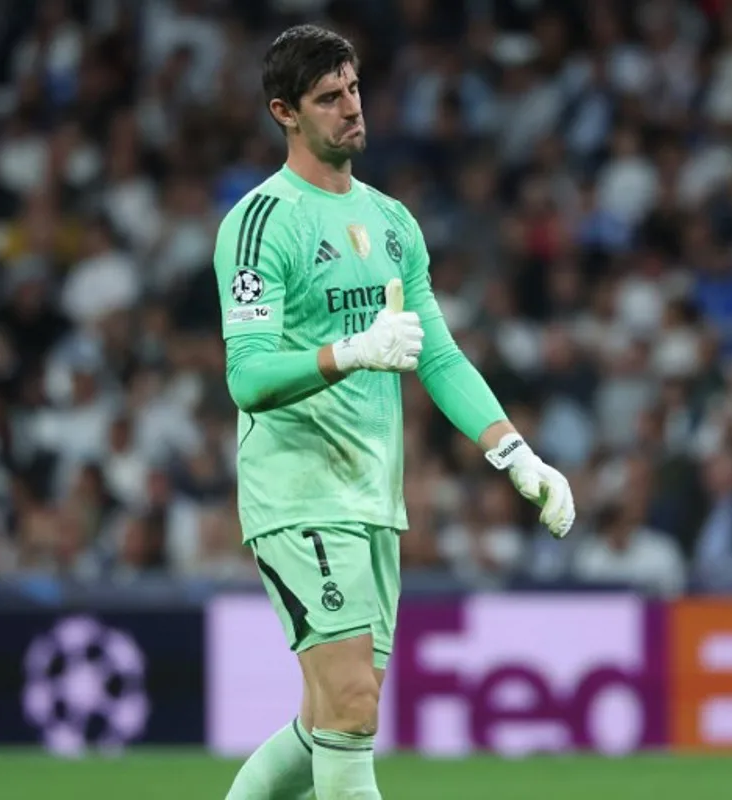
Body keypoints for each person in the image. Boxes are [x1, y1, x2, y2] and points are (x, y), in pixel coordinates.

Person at [218, 25, 575, 800]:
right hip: (298, 491)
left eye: (353, 89)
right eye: (327, 98)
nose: (351, 109)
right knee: (351, 708)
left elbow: (437, 356)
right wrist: (347, 352)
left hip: (374, 498)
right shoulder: (260, 223)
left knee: (328, 720)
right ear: (284, 112)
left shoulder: (392, 223)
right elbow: (246, 378)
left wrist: (517, 454)